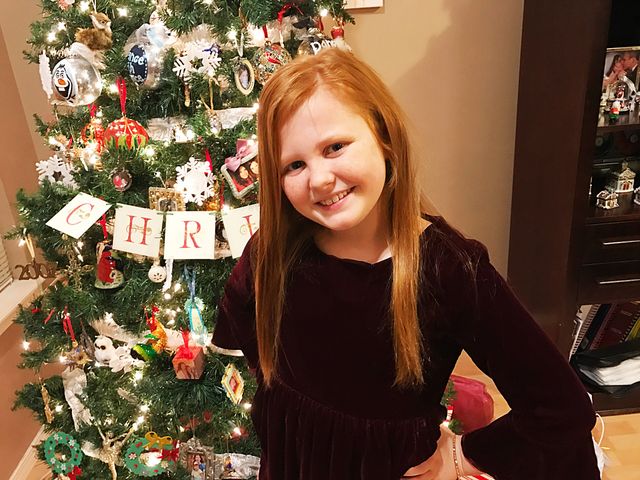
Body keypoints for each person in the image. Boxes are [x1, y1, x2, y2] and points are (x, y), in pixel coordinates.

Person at [212, 47, 599, 479]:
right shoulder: (274, 249)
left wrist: (463, 455)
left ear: (384, 136)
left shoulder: (449, 270)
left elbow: (561, 406)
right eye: (295, 165)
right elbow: (240, 318)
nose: (319, 179)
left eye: (335, 147)